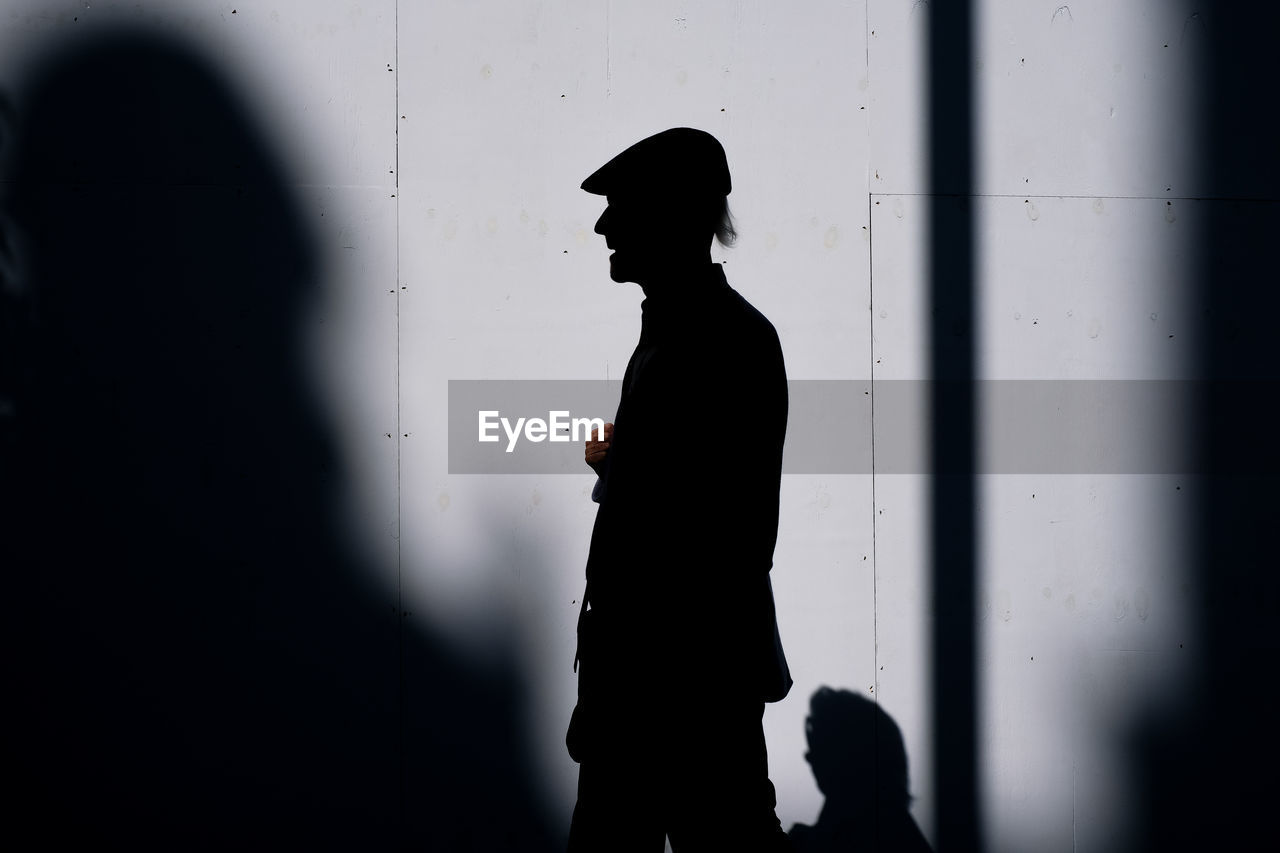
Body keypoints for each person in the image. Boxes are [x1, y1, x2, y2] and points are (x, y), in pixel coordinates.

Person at [566, 127, 792, 852]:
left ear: (674, 216)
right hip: (656, 692)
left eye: (623, 206)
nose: (604, 224)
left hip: (678, 694)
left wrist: (630, 469)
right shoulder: (684, 334)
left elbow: (718, 531)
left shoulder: (721, 339)